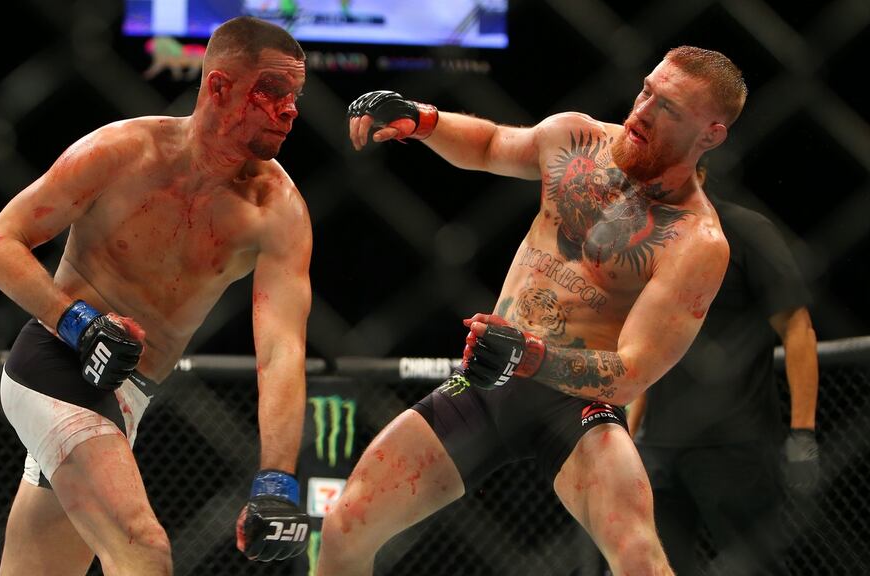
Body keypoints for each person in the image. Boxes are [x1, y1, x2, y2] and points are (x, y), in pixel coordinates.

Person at [317, 46, 747, 576]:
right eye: (646, 91)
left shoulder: (695, 241)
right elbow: (493, 143)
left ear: (711, 134)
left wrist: (533, 356)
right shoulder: (578, 139)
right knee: (344, 526)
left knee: (638, 557)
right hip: (488, 386)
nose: (642, 113)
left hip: (577, 406)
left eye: (669, 110)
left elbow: (632, 374)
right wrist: (423, 119)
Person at [0, 16, 313, 575]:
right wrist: (77, 322)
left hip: (130, 396)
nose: (290, 109)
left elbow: (281, 353)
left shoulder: (277, 213)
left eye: (295, 96)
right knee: (142, 547)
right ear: (219, 86)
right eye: (273, 91)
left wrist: (276, 478)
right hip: (57, 360)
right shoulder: (123, 152)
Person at [627, 164, 819, 575]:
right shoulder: (648, 244)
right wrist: (629, 437)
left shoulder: (745, 230)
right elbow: (644, 350)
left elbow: (797, 329)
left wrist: (803, 432)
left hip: (737, 445)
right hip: (658, 445)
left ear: (700, 170)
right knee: (650, 567)